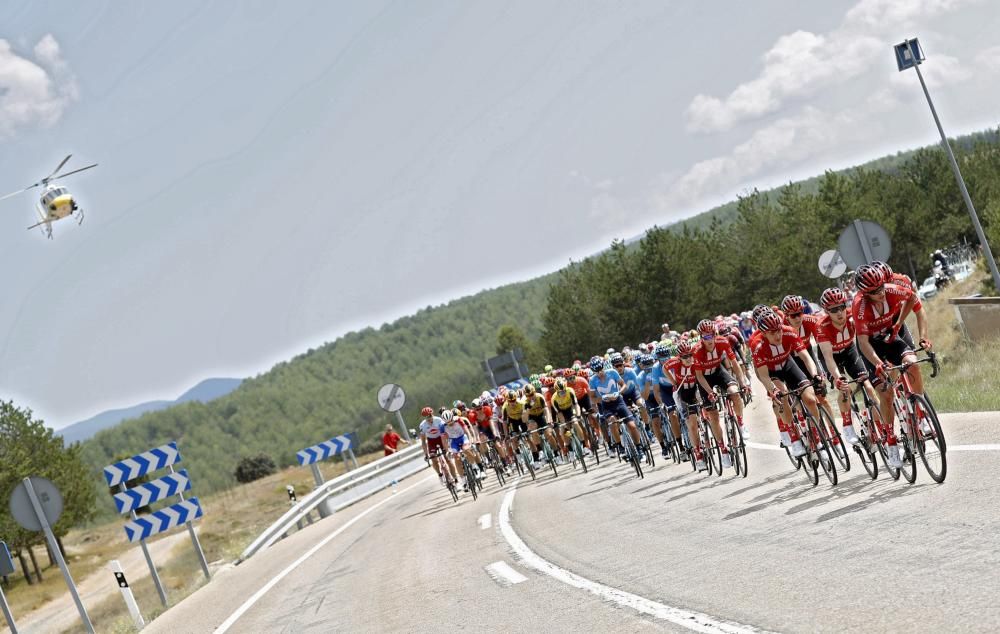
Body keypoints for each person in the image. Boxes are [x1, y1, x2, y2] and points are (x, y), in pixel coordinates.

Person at [852, 264, 932, 468]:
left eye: (881, 288)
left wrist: (917, 334)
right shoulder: (859, 305)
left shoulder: (892, 287)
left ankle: (920, 411)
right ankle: (891, 440)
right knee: (886, 394)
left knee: (912, 363)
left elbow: (915, 302)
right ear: (864, 293)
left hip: (890, 337)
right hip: (871, 347)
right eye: (874, 292)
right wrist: (878, 364)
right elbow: (862, 342)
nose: (880, 293)